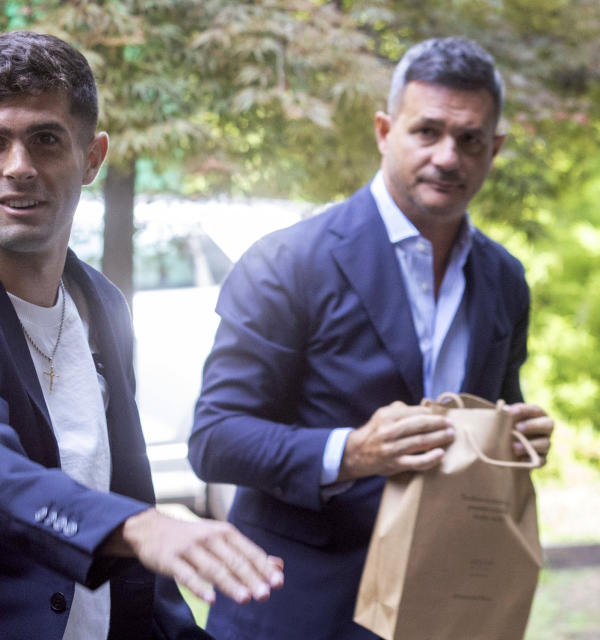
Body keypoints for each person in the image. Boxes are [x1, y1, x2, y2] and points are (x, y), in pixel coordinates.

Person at [0, 31, 283, 640]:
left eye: (45, 139)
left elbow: (124, 522)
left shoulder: (103, 306)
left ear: (91, 157)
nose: (19, 167)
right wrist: (138, 527)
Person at [188, 36, 555, 640]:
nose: (448, 156)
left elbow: (491, 416)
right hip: (297, 607)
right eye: (426, 132)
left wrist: (516, 442)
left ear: (496, 148)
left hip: (444, 608)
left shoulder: (504, 278)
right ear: (385, 130)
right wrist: (352, 452)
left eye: (469, 140)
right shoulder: (288, 261)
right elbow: (216, 438)